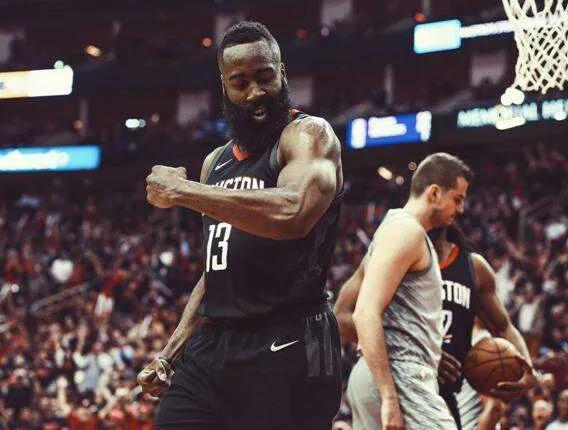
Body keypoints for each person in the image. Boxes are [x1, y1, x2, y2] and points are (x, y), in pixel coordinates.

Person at [138, 21, 344, 430]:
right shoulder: (215, 163)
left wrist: (183, 191)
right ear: (224, 86)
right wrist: (169, 353)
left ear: (282, 72)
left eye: (264, 77)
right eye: (240, 82)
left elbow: (294, 212)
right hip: (214, 347)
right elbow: (217, 272)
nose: (255, 92)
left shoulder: (307, 136)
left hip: (289, 338)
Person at [335, 222, 539, 429]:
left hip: (443, 391)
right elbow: (341, 316)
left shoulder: (473, 267)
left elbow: (503, 327)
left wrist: (530, 370)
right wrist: (419, 351)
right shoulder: (389, 257)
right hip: (393, 379)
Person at [347, 153, 473, 430]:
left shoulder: (393, 229)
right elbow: (364, 312)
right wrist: (389, 395)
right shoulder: (406, 231)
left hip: (382, 374)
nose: (461, 209)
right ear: (434, 193)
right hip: (401, 376)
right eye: (457, 198)